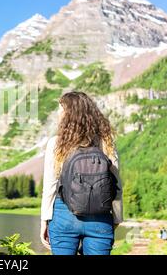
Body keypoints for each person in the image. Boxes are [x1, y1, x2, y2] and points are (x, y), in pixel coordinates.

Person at [39, 91, 123, 255]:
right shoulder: (106, 141)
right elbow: (116, 184)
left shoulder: (56, 144)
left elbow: (50, 186)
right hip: (100, 217)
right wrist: (117, 218)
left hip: (64, 215)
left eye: (60, 109)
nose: (57, 113)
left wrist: (44, 220)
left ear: (68, 115)